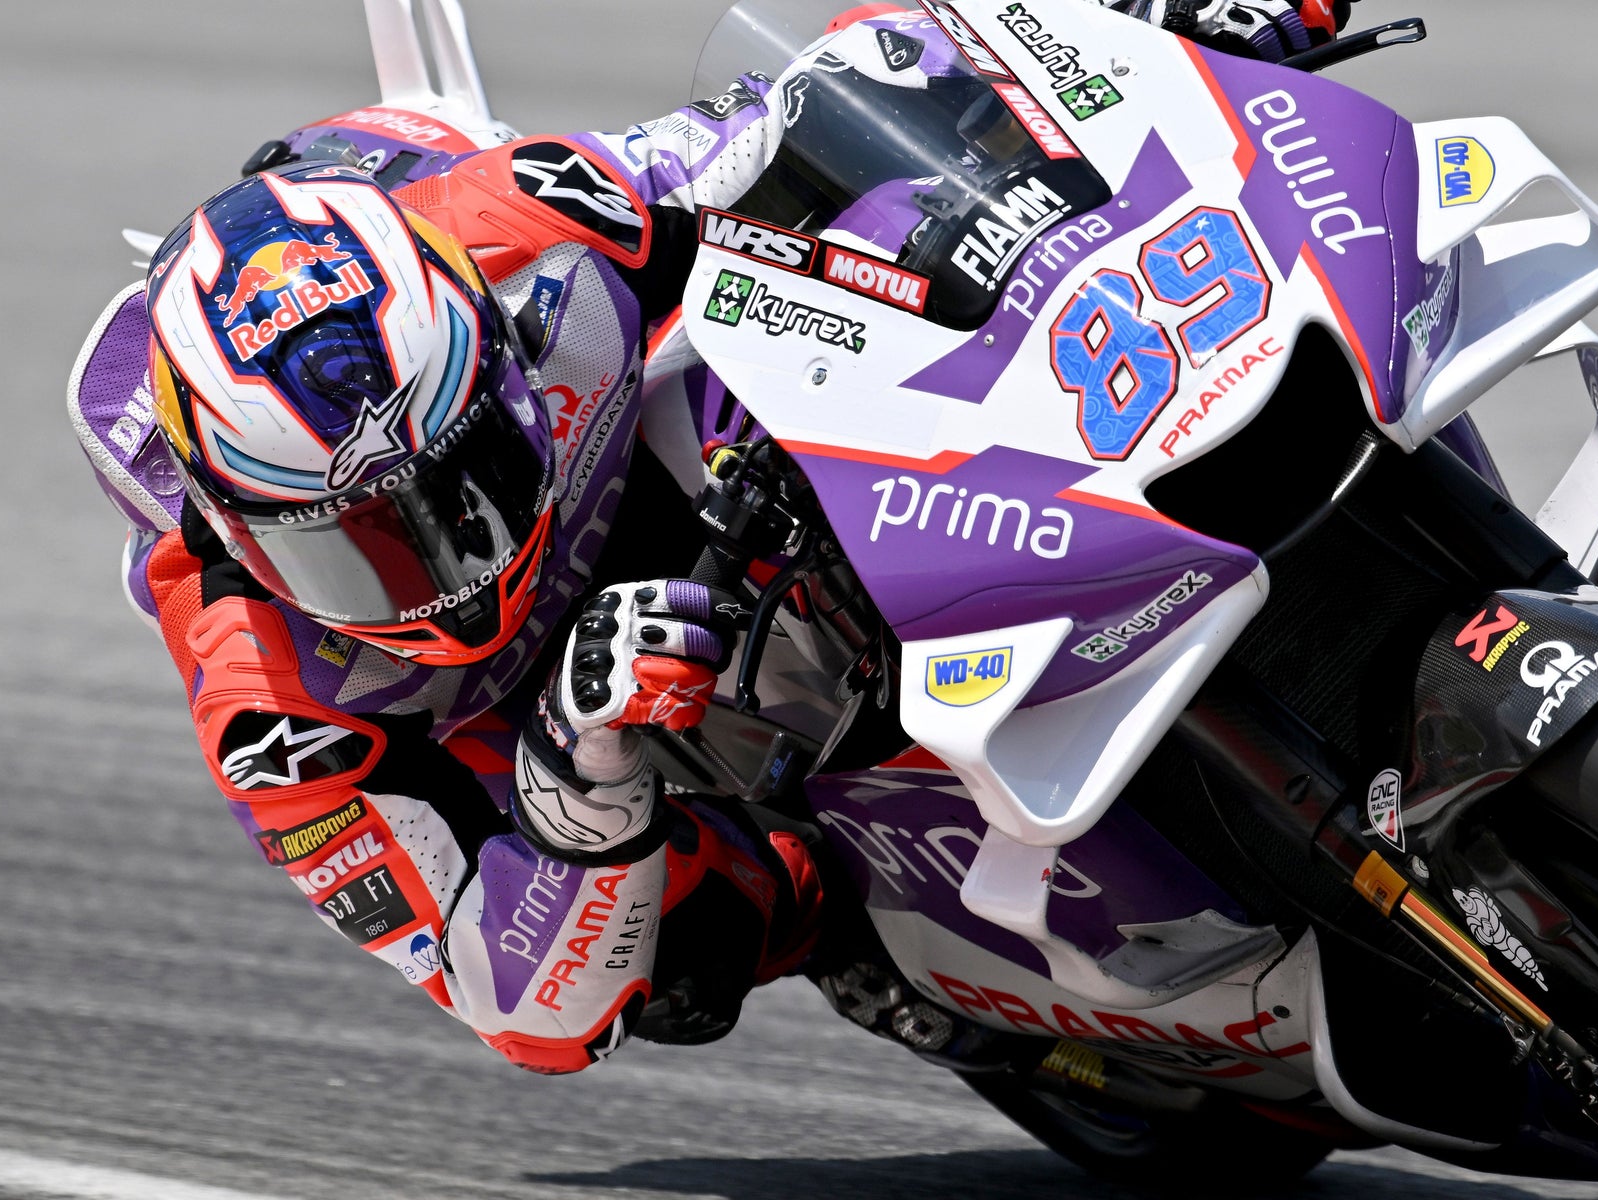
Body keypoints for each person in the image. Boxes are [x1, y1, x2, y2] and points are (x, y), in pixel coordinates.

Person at [67, 0, 1346, 1075]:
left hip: (635, 445)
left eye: (467, 481)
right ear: (239, 532)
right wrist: (577, 775)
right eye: (356, 547)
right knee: (692, 946)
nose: (453, 571)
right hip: (515, 718)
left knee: (896, 237)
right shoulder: (271, 709)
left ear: (501, 363)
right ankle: (861, 939)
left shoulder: (530, 223)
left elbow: (823, 94)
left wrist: (1132, 32)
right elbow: (518, 1013)